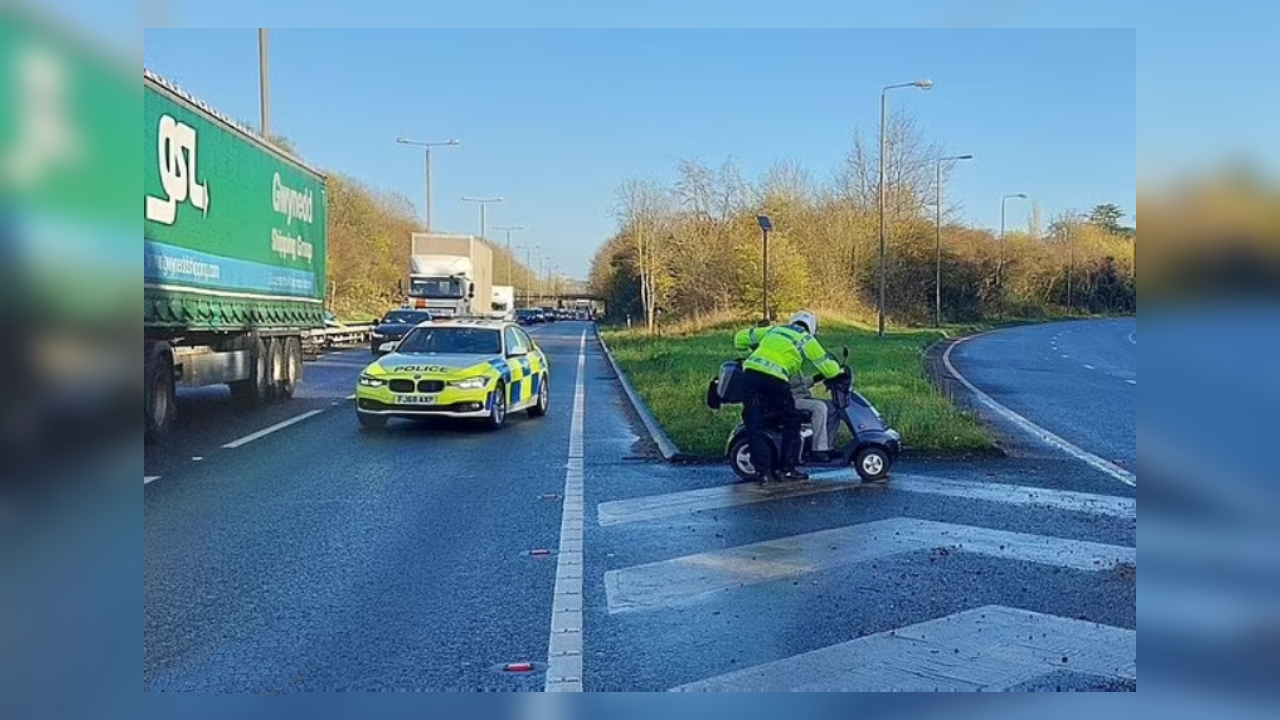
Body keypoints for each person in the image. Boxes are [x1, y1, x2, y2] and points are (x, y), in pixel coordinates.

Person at [733, 310, 844, 481]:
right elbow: (828, 368)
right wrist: (838, 371)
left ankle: (762, 472)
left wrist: (750, 348)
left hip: (751, 376)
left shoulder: (773, 330)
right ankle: (786, 468)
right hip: (775, 379)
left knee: (754, 423)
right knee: (791, 421)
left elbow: (739, 338)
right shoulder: (805, 339)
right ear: (811, 328)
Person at [789, 372, 841, 462]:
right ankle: (818, 449)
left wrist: (817, 378)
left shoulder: (794, 365)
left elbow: (800, 383)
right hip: (791, 400)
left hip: (803, 397)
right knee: (819, 407)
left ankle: (828, 446)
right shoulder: (784, 366)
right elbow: (791, 385)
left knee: (833, 407)